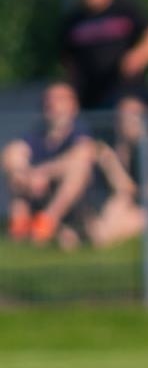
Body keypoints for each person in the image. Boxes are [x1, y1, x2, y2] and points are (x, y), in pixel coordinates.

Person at [3, 82, 96, 246]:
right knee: (15, 164)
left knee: (78, 169)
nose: (52, 104)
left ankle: (47, 223)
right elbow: (12, 152)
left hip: (77, 203)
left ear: (73, 105)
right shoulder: (37, 134)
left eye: (60, 99)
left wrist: (43, 173)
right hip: (37, 191)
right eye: (48, 99)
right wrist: (25, 175)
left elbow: (83, 154)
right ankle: (20, 222)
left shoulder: (80, 132)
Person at [85, 96, 148, 248]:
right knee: (103, 221)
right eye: (121, 117)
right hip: (126, 200)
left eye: (133, 115)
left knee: (103, 234)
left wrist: (113, 167)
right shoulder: (120, 145)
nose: (126, 121)